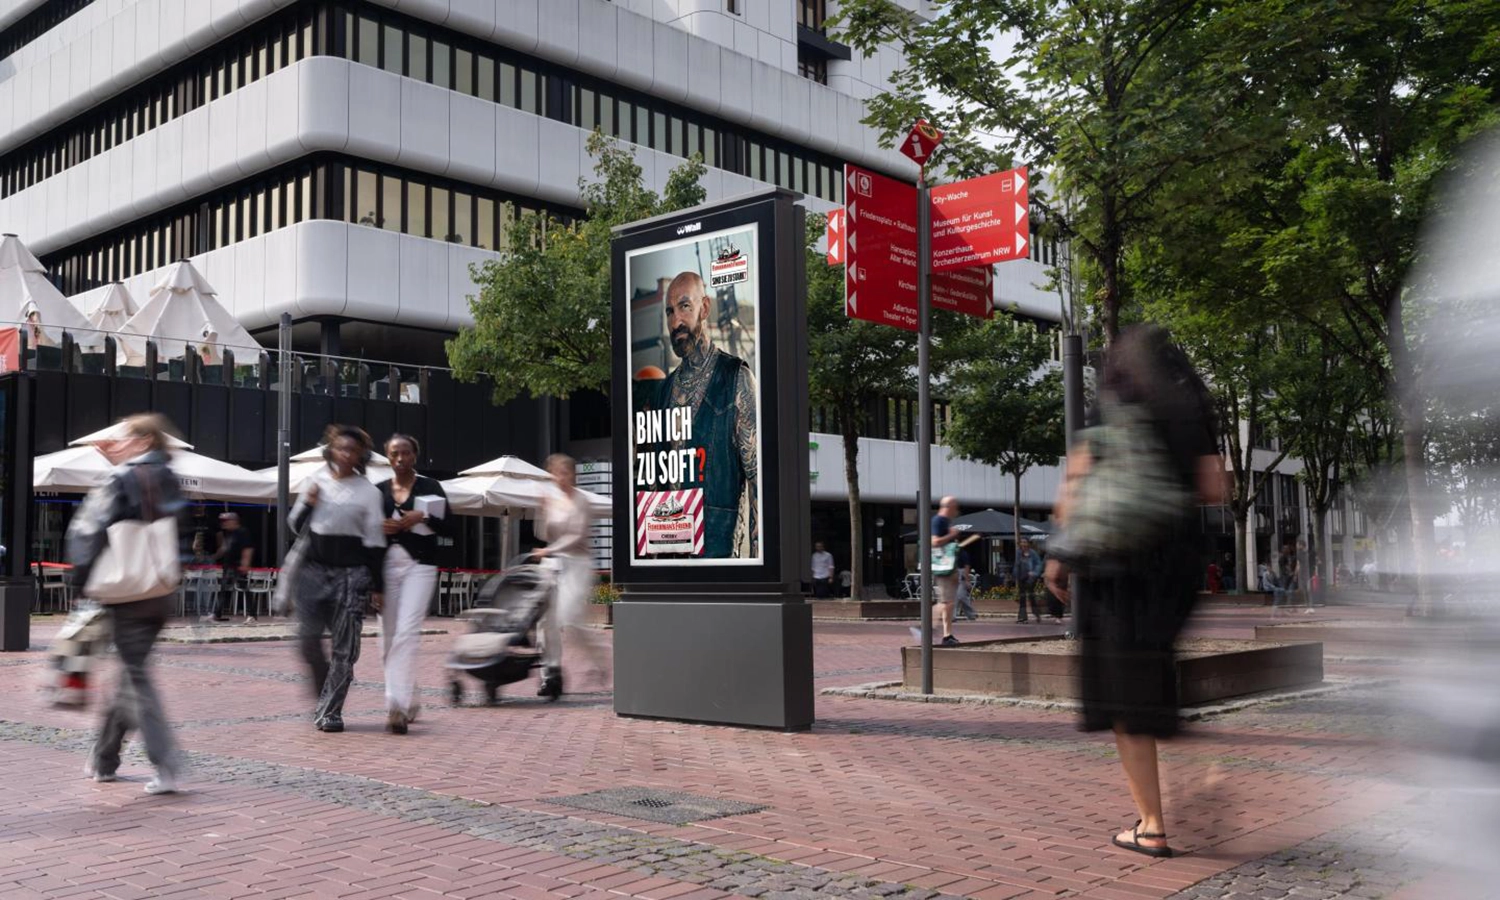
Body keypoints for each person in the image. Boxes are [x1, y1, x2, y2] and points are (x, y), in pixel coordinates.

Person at [1044, 325, 1222, 859]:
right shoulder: (1194, 408)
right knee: (1152, 674)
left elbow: (1076, 481)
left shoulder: (1113, 405)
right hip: (1173, 563)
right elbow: (1215, 487)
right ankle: (1185, 778)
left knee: (1123, 694)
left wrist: (1058, 555)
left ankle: (1152, 823)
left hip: (1114, 563)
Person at [68, 414, 184, 794]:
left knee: (137, 678)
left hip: (126, 593)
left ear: (144, 440)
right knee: (131, 674)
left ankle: (165, 763)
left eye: (123, 438)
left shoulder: (123, 477)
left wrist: (81, 581)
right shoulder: (167, 475)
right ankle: (104, 759)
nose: (117, 444)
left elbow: (89, 529)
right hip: (160, 590)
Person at [291, 425, 386, 733]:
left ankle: (331, 711)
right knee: (307, 641)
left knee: (346, 648)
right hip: (313, 571)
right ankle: (323, 691)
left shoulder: (369, 492)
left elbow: (374, 542)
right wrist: (309, 504)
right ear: (330, 450)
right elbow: (293, 526)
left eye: (352, 450)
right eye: (340, 448)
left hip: (352, 574)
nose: (346, 454)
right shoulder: (315, 481)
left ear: (362, 456)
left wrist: (378, 586)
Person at [658, 271, 758, 559]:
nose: (676, 322)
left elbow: (757, 480)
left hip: (718, 554)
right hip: (670, 553)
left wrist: (757, 560)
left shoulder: (735, 376)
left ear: (704, 308)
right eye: (670, 312)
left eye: (685, 307)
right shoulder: (664, 390)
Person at [377, 434, 450, 735]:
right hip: (385, 567)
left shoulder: (430, 486)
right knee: (388, 637)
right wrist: (379, 526)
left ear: (414, 455)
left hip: (420, 565)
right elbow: (365, 533)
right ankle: (409, 692)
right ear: (388, 457)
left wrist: (424, 516)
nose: (400, 459)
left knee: (407, 632)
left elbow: (450, 526)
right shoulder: (378, 491)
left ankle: (396, 705)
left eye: (406, 453)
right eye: (395, 453)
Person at [533, 453, 608, 700]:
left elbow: (576, 536)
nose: (559, 477)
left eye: (564, 472)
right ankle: (551, 674)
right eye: (555, 472)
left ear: (572, 475)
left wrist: (550, 549)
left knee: (570, 620)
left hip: (577, 563)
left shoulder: (581, 501)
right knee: (545, 621)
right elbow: (542, 533)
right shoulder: (551, 499)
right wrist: (542, 512)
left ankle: (602, 660)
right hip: (553, 563)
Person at [210, 511, 253, 624]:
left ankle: (252, 615)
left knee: (245, 590)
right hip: (228, 566)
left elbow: (248, 548)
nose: (224, 524)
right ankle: (217, 614)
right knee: (223, 590)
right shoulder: (229, 534)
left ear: (234, 521)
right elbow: (224, 548)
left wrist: (245, 563)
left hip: (238, 566)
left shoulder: (243, 532)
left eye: (226, 521)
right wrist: (213, 557)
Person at [931, 496, 961, 645]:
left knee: (949, 603)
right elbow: (935, 542)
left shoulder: (945, 522)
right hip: (942, 568)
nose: (957, 511)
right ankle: (926, 627)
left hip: (948, 567)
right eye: (955, 507)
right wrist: (952, 535)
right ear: (949, 507)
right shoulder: (938, 521)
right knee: (946, 602)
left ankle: (947, 634)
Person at [1015, 538, 1044, 623]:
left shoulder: (1033, 553)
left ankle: (1036, 614)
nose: (1023, 544)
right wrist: (1015, 575)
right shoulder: (1018, 553)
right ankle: (1022, 617)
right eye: (1022, 542)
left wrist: (1034, 573)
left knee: (1031, 596)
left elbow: (1039, 564)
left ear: (1028, 544)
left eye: (1025, 542)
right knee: (1022, 597)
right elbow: (1016, 564)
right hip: (1021, 576)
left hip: (1030, 578)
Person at [955, 548, 978, 621]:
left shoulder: (962, 553)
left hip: (960, 574)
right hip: (951, 573)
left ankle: (971, 614)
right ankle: (951, 616)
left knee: (961, 596)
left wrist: (967, 579)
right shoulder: (949, 551)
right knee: (954, 597)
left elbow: (967, 566)